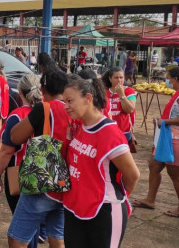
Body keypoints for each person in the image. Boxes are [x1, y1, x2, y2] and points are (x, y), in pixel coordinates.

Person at [62, 75, 140, 247]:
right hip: (76, 207)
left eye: (69, 101)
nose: (66, 107)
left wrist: (116, 198)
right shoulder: (82, 126)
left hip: (104, 209)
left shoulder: (109, 133)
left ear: (88, 99)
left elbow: (133, 175)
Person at [7, 70, 71, 248]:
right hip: (65, 182)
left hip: (43, 179)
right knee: (57, 236)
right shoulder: (73, 108)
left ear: (43, 89)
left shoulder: (44, 108)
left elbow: (15, 137)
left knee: (16, 238)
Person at [133, 67, 179, 218]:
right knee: (154, 166)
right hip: (169, 138)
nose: (167, 81)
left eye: (168, 78)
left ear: (175, 79)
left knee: (175, 174)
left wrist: (165, 121)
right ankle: (150, 200)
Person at [0, 74, 43, 236]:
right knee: (37, 220)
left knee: (23, 224)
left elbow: (7, 151)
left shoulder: (17, 116)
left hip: (19, 173)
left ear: (20, 92)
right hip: (45, 170)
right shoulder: (49, 112)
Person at [102, 67, 138, 145]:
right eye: (116, 78)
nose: (119, 80)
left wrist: (121, 94)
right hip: (107, 131)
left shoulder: (129, 91)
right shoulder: (104, 92)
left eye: (121, 77)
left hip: (124, 131)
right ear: (110, 79)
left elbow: (130, 110)